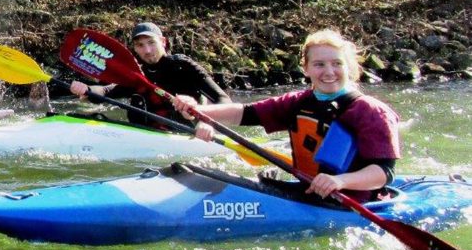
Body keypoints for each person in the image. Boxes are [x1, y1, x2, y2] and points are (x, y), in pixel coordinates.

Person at [173, 29, 400, 202]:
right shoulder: (298, 102)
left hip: (353, 202)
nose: (329, 72)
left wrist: (339, 181)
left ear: (348, 67)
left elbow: (383, 173)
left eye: (337, 64)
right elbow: (244, 113)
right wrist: (197, 111)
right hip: (306, 193)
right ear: (306, 68)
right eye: (319, 64)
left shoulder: (371, 111)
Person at [70, 22, 231, 128]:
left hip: (186, 136)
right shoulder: (137, 75)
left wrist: (206, 122)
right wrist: (87, 89)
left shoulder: (183, 66)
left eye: (151, 43)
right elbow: (107, 91)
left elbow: (223, 100)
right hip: (148, 138)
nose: (147, 51)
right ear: (135, 49)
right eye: (140, 45)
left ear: (163, 42)